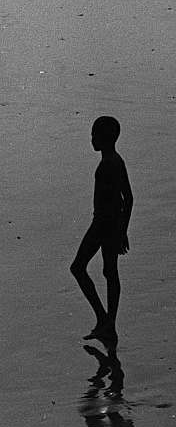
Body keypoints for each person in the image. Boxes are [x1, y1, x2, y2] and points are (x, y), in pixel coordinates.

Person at [70, 115, 133, 343]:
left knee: (79, 267)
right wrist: (122, 230)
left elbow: (123, 200)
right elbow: (129, 199)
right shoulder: (116, 160)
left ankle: (105, 320)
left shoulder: (109, 163)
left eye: (94, 135)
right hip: (111, 224)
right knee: (109, 272)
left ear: (104, 138)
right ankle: (107, 323)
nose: (91, 139)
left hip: (103, 224)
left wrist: (119, 231)